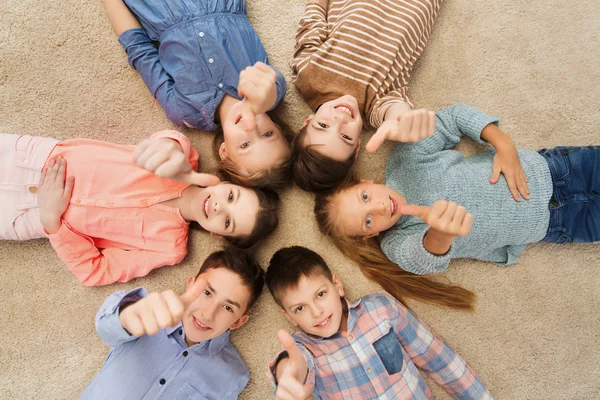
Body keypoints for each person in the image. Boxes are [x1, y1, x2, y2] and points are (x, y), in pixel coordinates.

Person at [315, 103, 600, 277]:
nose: (378, 208)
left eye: (365, 197)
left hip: (552, 169)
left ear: (365, 183)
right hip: (557, 224)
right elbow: (423, 260)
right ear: (371, 234)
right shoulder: (396, 243)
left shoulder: (405, 160)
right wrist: (440, 234)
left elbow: (453, 117)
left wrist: (503, 144)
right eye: (368, 220)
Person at [0, 131, 279, 286]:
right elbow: (165, 144)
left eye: (227, 222)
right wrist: (170, 155)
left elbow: (95, 271)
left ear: (219, 235)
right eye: (231, 196)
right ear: (225, 181)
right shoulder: (183, 157)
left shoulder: (169, 248)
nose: (219, 207)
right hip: (33, 159)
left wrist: (53, 223)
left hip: (23, 216)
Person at [102, 0, 293, 190]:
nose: (251, 129)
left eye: (244, 145)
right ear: (276, 126)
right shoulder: (266, 90)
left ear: (225, 151)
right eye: (268, 133)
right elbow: (271, 88)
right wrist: (263, 101)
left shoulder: (185, 112)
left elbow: (139, 49)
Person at [266, 246, 492, 399]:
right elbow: (293, 364)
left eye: (320, 294)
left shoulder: (380, 307)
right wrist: (288, 374)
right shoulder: (305, 350)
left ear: (337, 285)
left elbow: (435, 355)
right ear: (289, 317)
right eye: (299, 308)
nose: (316, 312)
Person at [290, 0, 441, 192]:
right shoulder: (374, 110)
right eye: (345, 136)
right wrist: (401, 120)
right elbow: (395, 109)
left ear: (307, 122)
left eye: (323, 125)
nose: (340, 119)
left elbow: (314, 16)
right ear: (358, 147)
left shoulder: (308, 77)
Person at [80, 249, 265, 399]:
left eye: (227, 307)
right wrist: (127, 318)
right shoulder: (147, 312)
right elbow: (105, 326)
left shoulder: (233, 376)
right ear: (191, 284)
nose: (208, 314)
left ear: (238, 322)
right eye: (207, 293)